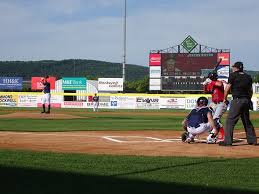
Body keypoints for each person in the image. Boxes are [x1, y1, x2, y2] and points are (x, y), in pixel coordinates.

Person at [219, 62, 257, 146]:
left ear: (237, 68)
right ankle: (252, 140)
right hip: (246, 100)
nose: (233, 68)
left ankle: (227, 141)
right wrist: (248, 99)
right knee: (246, 121)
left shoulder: (233, 75)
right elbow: (250, 90)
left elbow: (227, 88)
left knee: (230, 121)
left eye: (234, 67)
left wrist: (224, 98)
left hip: (237, 100)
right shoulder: (248, 76)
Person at [203, 72, 228, 142]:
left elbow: (219, 84)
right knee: (210, 119)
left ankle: (223, 136)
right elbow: (205, 92)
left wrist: (211, 82)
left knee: (215, 120)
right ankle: (213, 134)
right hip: (214, 104)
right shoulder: (210, 84)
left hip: (221, 103)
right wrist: (204, 85)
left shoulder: (219, 82)